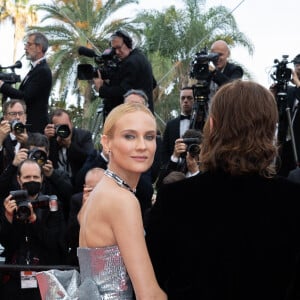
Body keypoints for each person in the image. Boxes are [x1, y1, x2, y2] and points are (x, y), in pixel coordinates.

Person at [145, 80, 300, 300]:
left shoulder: (175, 199)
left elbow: (153, 279)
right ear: (270, 131)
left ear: (213, 125)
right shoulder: (292, 201)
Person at [36, 102, 167, 300]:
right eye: (129, 136)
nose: (142, 145)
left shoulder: (99, 193)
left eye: (149, 136)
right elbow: (148, 294)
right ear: (106, 143)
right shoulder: (122, 200)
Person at [0, 159, 66, 300]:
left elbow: (54, 243)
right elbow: (7, 244)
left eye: (35, 177)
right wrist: (8, 219)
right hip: (15, 275)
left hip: (45, 275)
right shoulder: (10, 204)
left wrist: (34, 220)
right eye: (27, 177)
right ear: (19, 179)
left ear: (42, 179)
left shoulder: (52, 205)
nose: (32, 180)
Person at [93, 29, 156, 117]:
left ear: (128, 44)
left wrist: (101, 89)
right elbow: (153, 83)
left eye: (119, 47)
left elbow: (123, 91)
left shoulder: (130, 62)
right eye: (114, 49)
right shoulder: (141, 57)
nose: (117, 52)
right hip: (145, 116)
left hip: (133, 117)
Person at [0, 32, 52, 134]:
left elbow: (24, 97)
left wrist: (2, 85)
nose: (25, 48)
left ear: (39, 47)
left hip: (34, 129)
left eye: (29, 44)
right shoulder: (36, 69)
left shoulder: (43, 71)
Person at [44, 108, 94, 191]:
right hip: (56, 186)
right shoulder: (51, 138)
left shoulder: (84, 136)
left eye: (66, 126)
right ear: (53, 127)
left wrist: (70, 145)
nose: (63, 130)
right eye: (59, 127)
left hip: (79, 185)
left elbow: (90, 159)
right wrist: (46, 139)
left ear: (71, 124)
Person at [66, 167, 105, 266]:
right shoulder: (77, 201)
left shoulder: (115, 201)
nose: (95, 193)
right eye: (91, 189)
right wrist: (84, 208)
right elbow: (71, 237)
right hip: (83, 258)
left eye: (99, 188)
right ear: (85, 187)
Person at [270, 54, 300, 177]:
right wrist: (271, 96)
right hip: (285, 144)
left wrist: (298, 82)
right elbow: (275, 116)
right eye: (296, 65)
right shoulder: (289, 91)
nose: (298, 68)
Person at [160, 86, 194, 166]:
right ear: (179, 100)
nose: (185, 101)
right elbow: (164, 151)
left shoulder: (203, 123)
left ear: (195, 100)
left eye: (189, 98)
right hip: (174, 170)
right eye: (183, 98)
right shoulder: (170, 125)